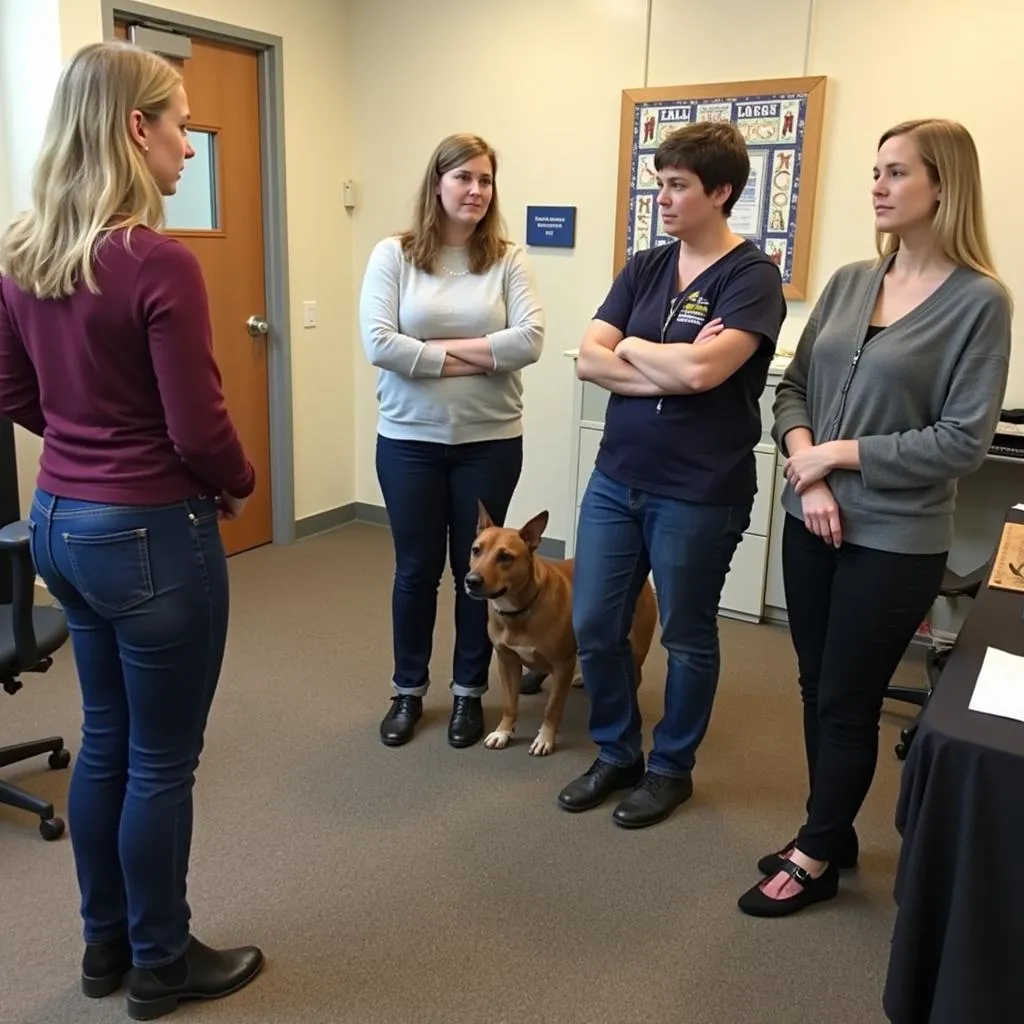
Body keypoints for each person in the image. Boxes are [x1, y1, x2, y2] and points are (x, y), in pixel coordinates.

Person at [0, 42, 264, 1017]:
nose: (189, 146)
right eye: (180, 124)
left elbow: (14, 393)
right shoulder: (158, 261)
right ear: (132, 128)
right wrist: (234, 483)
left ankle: (103, 947)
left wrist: (84, 441)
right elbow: (198, 426)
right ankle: (161, 962)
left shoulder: (23, 253)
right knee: (161, 758)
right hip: (152, 534)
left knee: (106, 739)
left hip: (58, 524)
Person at [737, 119, 1011, 918]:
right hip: (810, 515)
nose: (878, 187)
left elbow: (962, 441)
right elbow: (790, 390)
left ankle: (816, 852)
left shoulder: (979, 303)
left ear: (943, 186)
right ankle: (835, 828)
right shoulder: (854, 280)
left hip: (894, 539)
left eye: (896, 173)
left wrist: (839, 456)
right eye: (875, 172)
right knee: (814, 682)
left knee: (847, 700)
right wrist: (808, 468)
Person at [557, 122, 786, 827]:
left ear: (720, 192)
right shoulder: (646, 267)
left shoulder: (751, 278)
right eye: (659, 182)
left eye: (678, 185)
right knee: (595, 622)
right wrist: (656, 356)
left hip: (698, 489)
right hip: (616, 478)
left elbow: (706, 371)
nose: (663, 196)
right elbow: (588, 358)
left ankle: (670, 766)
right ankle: (617, 750)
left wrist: (637, 351)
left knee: (686, 633)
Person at [359, 133, 544, 750]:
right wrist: (480, 357)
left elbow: (531, 342)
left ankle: (469, 693)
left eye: (485, 180)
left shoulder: (507, 260)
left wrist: (430, 356)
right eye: (463, 177)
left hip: (489, 441)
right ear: (437, 183)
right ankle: (408, 691)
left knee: (479, 575)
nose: (475, 190)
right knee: (415, 571)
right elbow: (380, 344)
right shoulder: (395, 255)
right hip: (409, 440)